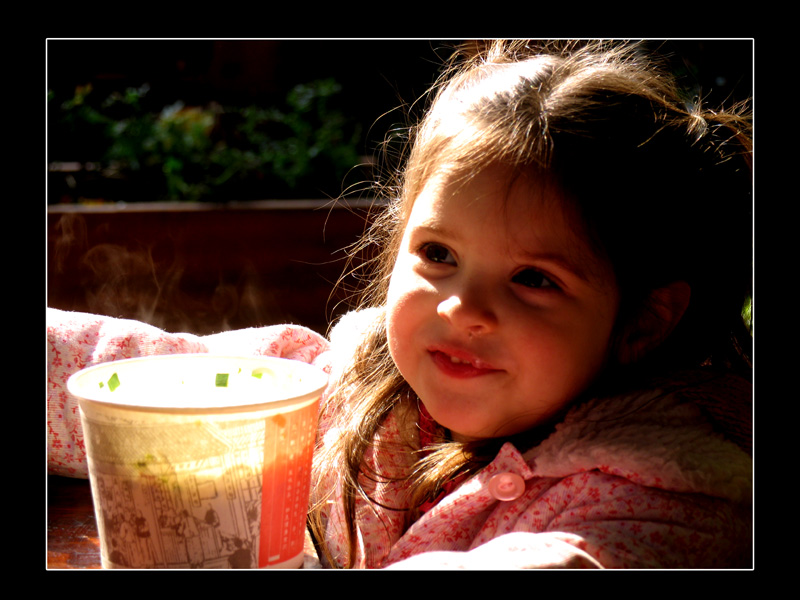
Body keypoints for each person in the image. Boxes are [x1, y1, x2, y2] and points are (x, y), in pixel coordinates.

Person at [46, 40, 752, 569]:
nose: (460, 307)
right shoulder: (342, 392)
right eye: (438, 255)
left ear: (642, 323)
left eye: (534, 279)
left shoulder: (671, 496)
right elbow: (136, 371)